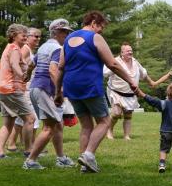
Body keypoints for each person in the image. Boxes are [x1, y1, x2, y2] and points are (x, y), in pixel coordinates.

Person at [54, 11, 137, 173]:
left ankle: (85, 165)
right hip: (89, 85)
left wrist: (58, 92)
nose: (101, 31)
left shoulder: (68, 40)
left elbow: (61, 67)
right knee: (104, 122)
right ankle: (89, 155)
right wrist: (130, 80)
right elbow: (112, 64)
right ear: (93, 23)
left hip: (71, 87)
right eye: (101, 27)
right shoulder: (94, 38)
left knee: (86, 125)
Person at [23, 19, 76, 170]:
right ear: (57, 32)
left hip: (36, 89)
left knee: (57, 124)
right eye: (65, 32)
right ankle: (31, 161)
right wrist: (59, 92)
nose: (67, 35)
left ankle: (61, 158)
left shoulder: (44, 47)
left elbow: (32, 63)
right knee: (49, 128)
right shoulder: (57, 48)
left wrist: (27, 75)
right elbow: (53, 70)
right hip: (45, 90)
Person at [0, 24, 35, 158]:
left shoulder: (9, 48)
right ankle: (29, 151)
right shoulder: (15, 48)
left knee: (8, 122)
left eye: (26, 34)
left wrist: (27, 71)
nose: (25, 36)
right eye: (22, 34)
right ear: (13, 36)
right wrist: (22, 74)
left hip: (2, 89)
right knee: (30, 119)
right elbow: (14, 64)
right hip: (12, 89)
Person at [103, 42, 154, 140]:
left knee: (128, 114)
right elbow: (105, 73)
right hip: (116, 91)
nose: (130, 52)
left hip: (130, 94)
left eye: (131, 50)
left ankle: (126, 135)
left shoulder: (135, 62)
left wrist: (151, 82)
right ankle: (109, 131)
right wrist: (112, 68)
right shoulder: (115, 61)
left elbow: (143, 73)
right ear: (122, 53)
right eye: (128, 51)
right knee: (116, 113)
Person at [7, 27, 42, 152]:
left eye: (39, 36)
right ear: (27, 37)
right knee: (31, 117)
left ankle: (16, 143)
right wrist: (22, 78)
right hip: (25, 88)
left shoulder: (29, 50)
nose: (38, 39)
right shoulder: (25, 49)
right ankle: (30, 145)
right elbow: (15, 63)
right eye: (35, 36)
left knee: (22, 118)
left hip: (27, 87)